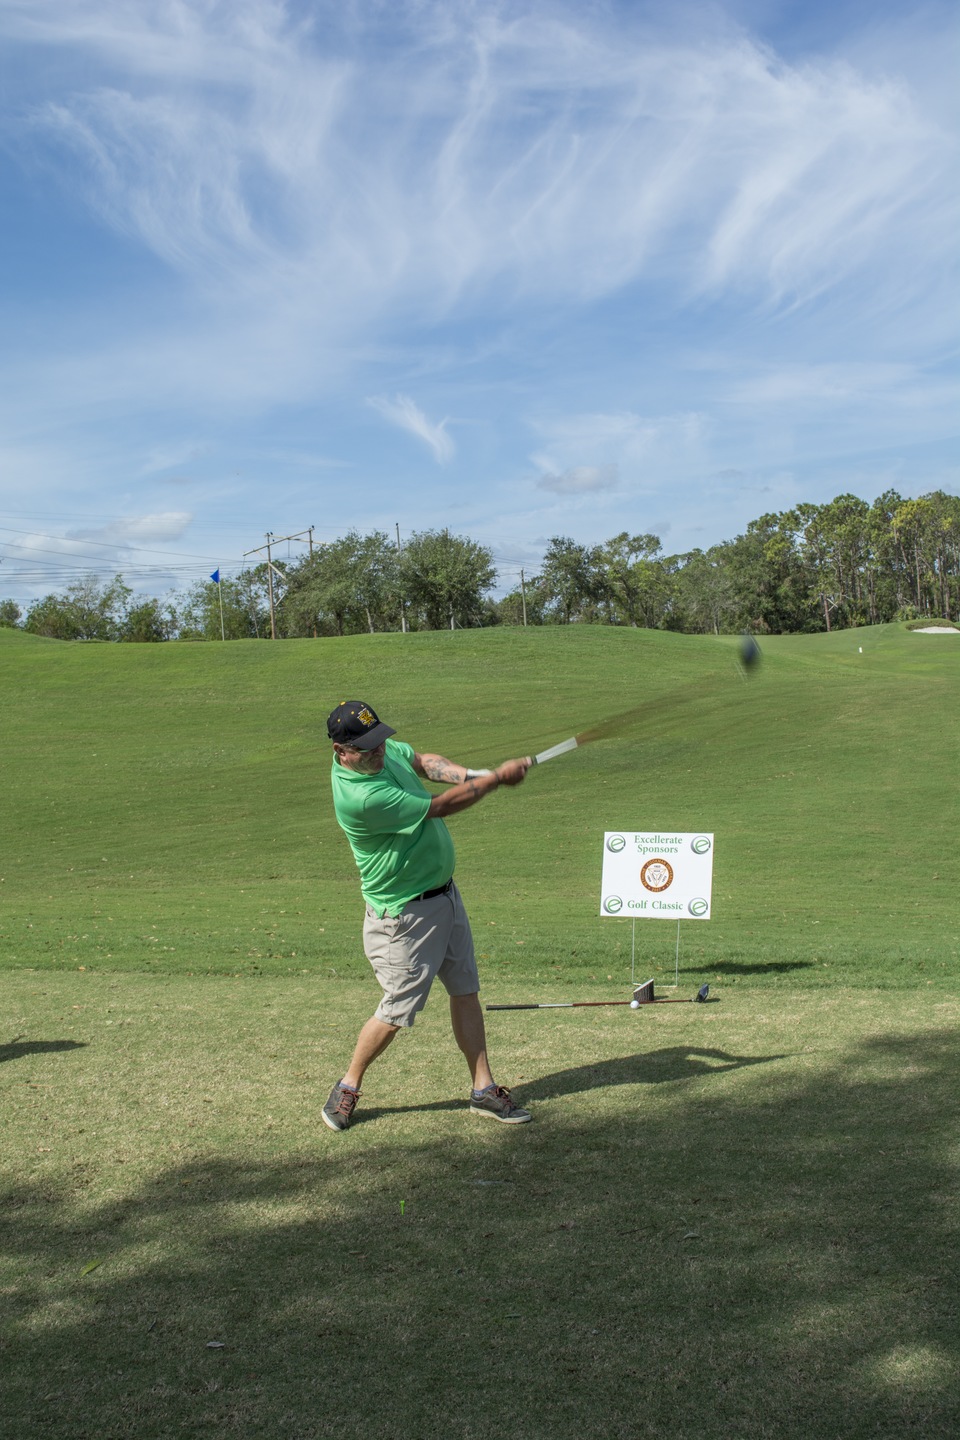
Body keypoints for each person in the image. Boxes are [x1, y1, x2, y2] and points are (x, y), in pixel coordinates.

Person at [322, 700, 533, 1131]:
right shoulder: (362, 796)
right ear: (340, 752)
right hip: (403, 916)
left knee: (465, 989)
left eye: (379, 740)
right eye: (365, 748)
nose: (379, 751)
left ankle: (483, 1089)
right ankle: (346, 1087)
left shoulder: (384, 753)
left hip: (445, 898)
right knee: (397, 1009)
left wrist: (478, 773)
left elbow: (425, 762)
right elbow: (440, 806)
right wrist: (494, 782)